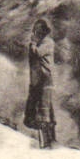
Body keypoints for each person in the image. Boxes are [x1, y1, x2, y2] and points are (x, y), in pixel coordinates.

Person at [23, 19, 57, 148]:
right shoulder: (41, 43)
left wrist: (32, 43)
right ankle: (47, 141)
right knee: (38, 111)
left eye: (37, 30)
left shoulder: (48, 42)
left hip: (45, 80)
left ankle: (48, 142)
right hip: (38, 81)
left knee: (44, 111)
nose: (35, 32)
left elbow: (37, 53)